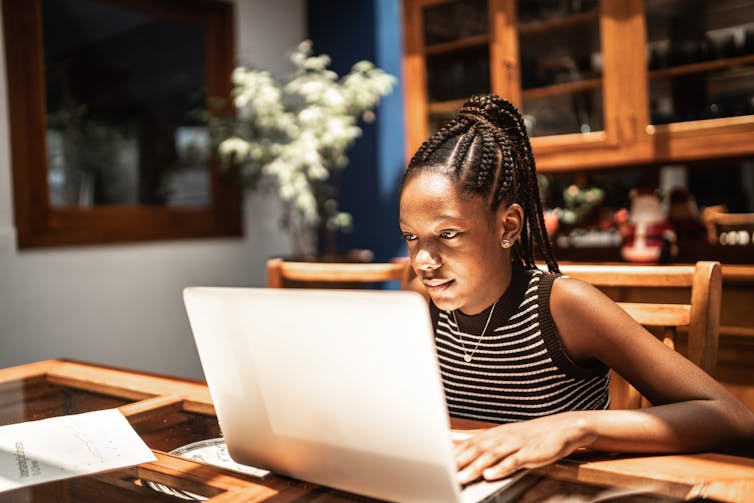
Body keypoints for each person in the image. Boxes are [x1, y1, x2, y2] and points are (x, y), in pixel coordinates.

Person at [398, 93, 754, 485]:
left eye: (447, 234)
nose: (424, 260)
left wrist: (575, 427)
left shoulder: (563, 308)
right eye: (412, 237)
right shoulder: (420, 305)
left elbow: (731, 417)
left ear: (508, 227)